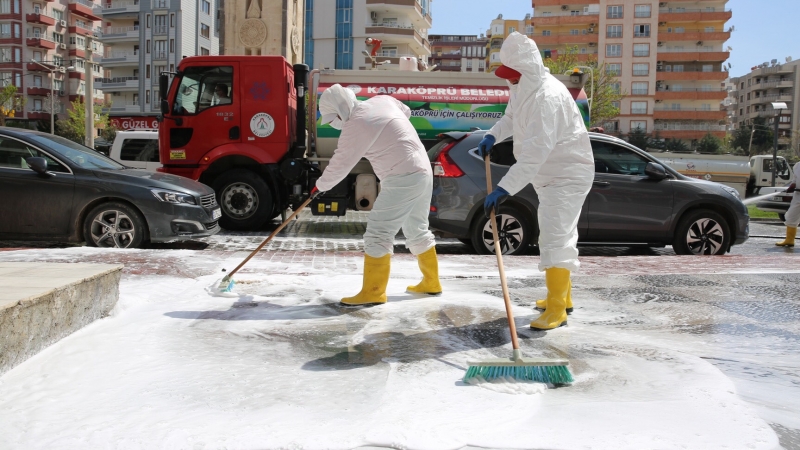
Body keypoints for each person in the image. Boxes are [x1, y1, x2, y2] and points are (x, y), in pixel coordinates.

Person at [478, 32, 594, 330]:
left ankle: (557, 309)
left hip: (567, 174)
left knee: (555, 236)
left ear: (527, 69)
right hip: (550, 174)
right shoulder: (523, 88)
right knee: (559, 232)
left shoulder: (548, 98)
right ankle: (562, 296)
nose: (510, 80)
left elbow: (534, 153)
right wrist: (493, 134)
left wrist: (505, 187)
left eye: (514, 75)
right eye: (508, 75)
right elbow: (510, 118)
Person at [313, 84, 442, 306]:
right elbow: (406, 112)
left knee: (378, 232)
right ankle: (431, 282)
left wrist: (319, 186)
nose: (334, 124)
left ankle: (374, 291)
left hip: (402, 176)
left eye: (332, 118)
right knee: (416, 229)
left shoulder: (357, 124)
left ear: (341, 110)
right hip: (422, 170)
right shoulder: (382, 101)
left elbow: (340, 164)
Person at [776, 160, 800, 247]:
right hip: (798, 195)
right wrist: (793, 185)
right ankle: (789, 240)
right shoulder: (798, 165)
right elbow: (795, 178)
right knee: (791, 216)